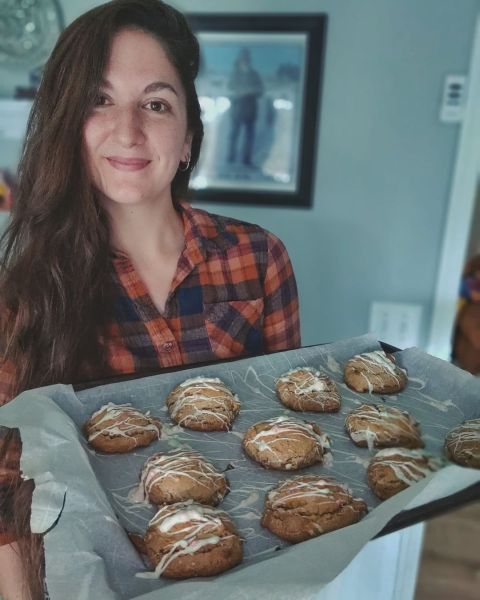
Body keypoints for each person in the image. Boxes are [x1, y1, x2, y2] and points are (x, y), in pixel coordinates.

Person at [0, 1, 301, 598]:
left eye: (156, 103)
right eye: (99, 100)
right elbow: (6, 489)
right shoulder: (23, 294)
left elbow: (282, 433)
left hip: (237, 569)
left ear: (188, 136)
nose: (128, 130)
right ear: (68, 125)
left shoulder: (258, 257)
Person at [227, 48, 264, 167]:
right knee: (234, 135)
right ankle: (230, 158)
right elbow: (230, 89)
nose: (245, 62)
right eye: (243, 60)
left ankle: (246, 159)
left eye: (246, 60)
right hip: (237, 110)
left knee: (249, 137)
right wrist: (242, 91)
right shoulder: (235, 75)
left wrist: (247, 91)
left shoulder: (255, 75)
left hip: (251, 110)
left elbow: (260, 90)